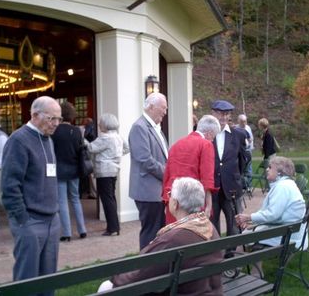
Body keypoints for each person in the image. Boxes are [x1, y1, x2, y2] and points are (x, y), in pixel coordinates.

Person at [98, 177, 224, 295]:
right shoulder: (210, 227)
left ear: (175, 204)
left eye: (169, 195)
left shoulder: (173, 238)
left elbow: (138, 276)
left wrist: (115, 278)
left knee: (106, 287)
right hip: (211, 292)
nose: (168, 198)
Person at [1, 96, 62, 294]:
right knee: (27, 282)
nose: (56, 124)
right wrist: (23, 219)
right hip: (30, 222)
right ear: (35, 115)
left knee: (48, 280)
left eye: (58, 119)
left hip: (51, 220)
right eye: (51, 119)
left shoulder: (48, 139)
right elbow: (10, 186)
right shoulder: (18, 140)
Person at [235, 156, 307, 249]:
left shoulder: (282, 187)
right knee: (247, 233)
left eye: (270, 167)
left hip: (286, 235)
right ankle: (246, 260)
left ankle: (239, 261)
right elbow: (272, 213)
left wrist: (249, 217)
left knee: (243, 237)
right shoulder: (285, 184)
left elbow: (272, 215)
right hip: (288, 230)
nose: (267, 169)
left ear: (280, 172)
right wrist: (252, 221)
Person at [162, 115, 220, 224]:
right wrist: (209, 206)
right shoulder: (206, 144)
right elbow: (207, 178)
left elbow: (167, 174)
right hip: (192, 201)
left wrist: (166, 200)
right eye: (214, 137)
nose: (213, 140)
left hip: (173, 199)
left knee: (173, 235)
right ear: (210, 133)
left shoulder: (176, 145)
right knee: (193, 235)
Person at [128, 92, 168, 250]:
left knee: (158, 231)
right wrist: (168, 173)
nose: (165, 112)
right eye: (163, 108)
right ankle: (146, 268)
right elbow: (145, 160)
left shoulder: (154, 127)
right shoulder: (139, 127)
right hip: (148, 192)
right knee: (150, 232)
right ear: (151, 107)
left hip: (156, 191)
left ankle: (154, 266)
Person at [210, 100, 247, 247]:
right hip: (212, 187)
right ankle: (216, 254)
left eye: (226, 114)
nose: (223, 117)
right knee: (213, 224)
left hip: (231, 187)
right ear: (213, 113)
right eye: (220, 113)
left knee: (233, 223)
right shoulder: (206, 134)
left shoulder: (238, 135)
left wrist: (235, 176)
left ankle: (231, 256)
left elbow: (244, 160)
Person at [86, 113, 129, 236]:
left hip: (103, 170)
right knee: (111, 198)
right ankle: (114, 225)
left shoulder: (104, 137)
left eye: (100, 123)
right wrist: (115, 157)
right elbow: (127, 148)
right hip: (114, 170)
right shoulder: (118, 137)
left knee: (107, 199)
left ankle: (112, 228)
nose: (99, 124)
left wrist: (82, 140)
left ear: (105, 125)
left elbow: (91, 148)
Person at [51, 101, 87, 242]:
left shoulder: (55, 131)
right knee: (75, 200)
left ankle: (66, 233)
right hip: (74, 170)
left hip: (59, 170)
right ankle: (82, 229)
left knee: (62, 202)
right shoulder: (77, 131)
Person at [236, 114, 254, 190]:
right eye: (242, 121)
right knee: (240, 169)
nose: (244, 123)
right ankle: (242, 186)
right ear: (238, 121)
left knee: (248, 169)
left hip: (247, 151)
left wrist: (247, 144)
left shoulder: (247, 128)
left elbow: (250, 139)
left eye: (245, 121)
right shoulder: (236, 129)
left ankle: (249, 186)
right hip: (239, 152)